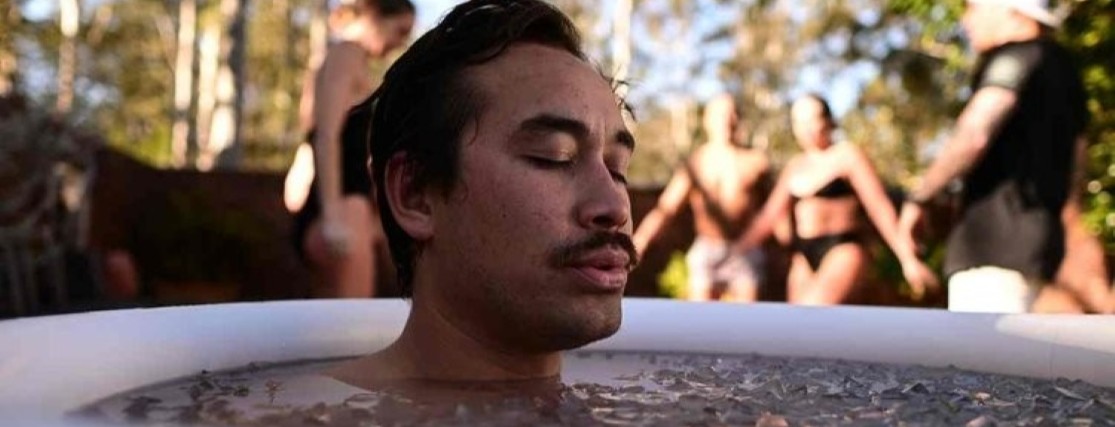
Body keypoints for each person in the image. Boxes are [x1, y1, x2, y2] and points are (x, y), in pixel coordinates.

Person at [325, 0, 637, 386]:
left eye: (618, 169)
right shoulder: (306, 411)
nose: (615, 206)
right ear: (414, 194)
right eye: (553, 155)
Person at [898, 0, 1092, 313]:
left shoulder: (1017, 56)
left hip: (994, 250)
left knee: (983, 345)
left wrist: (920, 197)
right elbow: (1077, 164)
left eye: (974, 8)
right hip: (1042, 251)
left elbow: (975, 134)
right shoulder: (1066, 70)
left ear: (1009, 10)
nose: (967, 21)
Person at [730, 95, 936, 305]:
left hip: (842, 247)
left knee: (813, 309)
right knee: (794, 320)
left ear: (828, 121)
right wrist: (735, 251)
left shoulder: (847, 155)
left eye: (813, 119)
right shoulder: (795, 167)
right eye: (799, 122)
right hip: (804, 253)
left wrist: (907, 258)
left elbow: (878, 206)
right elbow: (769, 216)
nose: (807, 129)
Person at [285, 0, 415, 298]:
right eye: (400, 30)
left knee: (330, 320)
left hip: (343, 207)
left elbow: (315, 132)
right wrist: (332, 215)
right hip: (344, 207)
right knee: (354, 318)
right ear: (375, 17)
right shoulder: (347, 54)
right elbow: (327, 134)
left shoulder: (337, 59)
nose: (401, 42)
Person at [633, 94, 771, 302]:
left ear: (739, 119)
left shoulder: (756, 161)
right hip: (708, 248)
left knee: (747, 318)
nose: (727, 120)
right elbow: (667, 207)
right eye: (720, 115)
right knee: (700, 315)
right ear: (707, 120)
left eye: (732, 114)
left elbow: (774, 209)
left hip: (745, 249)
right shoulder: (697, 162)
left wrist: (782, 249)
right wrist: (640, 241)